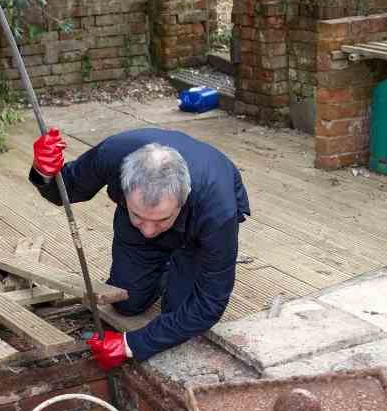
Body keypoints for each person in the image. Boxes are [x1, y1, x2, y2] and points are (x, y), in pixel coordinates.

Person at [30, 126, 250, 372]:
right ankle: (162, 262)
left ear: (183, 199)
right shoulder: (113, 154)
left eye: (162, 220)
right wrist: (44, 171)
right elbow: (66, 190)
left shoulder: (218, 210)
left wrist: (130, 343)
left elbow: (210, 303)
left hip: (196, 233)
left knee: (179, 312)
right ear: (124, 185)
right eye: (138, 215)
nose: (148, 231)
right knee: (126, 303)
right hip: (136, 227)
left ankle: (181, 262)